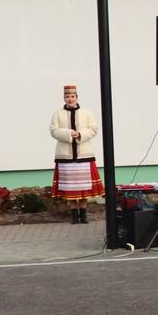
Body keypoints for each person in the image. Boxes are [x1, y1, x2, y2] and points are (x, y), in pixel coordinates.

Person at [48, 85, 102, 223]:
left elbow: (94, 129)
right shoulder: (57, 114)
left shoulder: (86, 113)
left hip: (83, 155)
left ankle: (83, 215)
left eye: (72, 96)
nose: (70, 99)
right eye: (67, 96)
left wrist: (80, 134)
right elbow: (53, 130)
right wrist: (68, 133)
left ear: (77, 97)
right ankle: (74, 216)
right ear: (64, 98)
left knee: (84, 188)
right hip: (66, 157)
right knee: (70, 190)